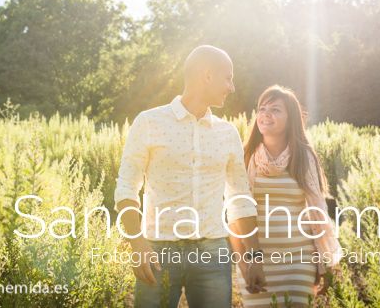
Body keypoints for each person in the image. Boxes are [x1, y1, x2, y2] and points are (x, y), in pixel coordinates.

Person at [114, 45, 267, 308]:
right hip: (158, 251)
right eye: (228, 77)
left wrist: (253, 256)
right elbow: (127, 188)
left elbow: (240, 199)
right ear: (207, 75)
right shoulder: (149, 122)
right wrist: (137, 245)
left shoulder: (227, 133)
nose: (231, 87)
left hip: (212, 253)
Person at [230, 85, 343, 307]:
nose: (266, 114)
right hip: (258, 262)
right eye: (262, 108)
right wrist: (245, 263)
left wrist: (325, 264)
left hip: (298, 263)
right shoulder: (245, 157)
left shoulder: (303, 157)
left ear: (291, 118)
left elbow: (317, 214)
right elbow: (235, 217)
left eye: (275, 109)